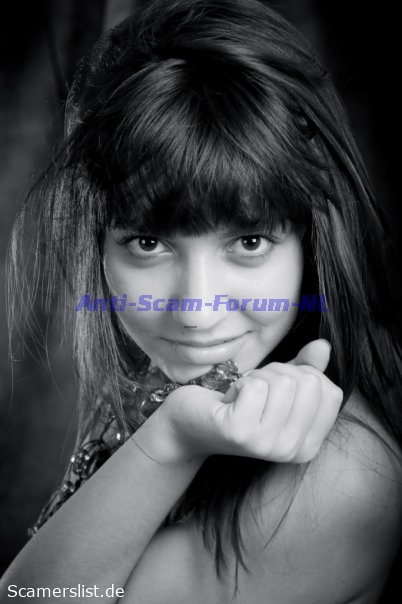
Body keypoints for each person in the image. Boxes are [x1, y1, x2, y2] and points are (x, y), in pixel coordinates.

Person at [2, 0, 402, 601]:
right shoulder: (184, 373)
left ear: (311, 241)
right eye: (148, 243)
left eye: (249, 242)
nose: (195, 312)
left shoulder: (339, 479)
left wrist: (168, 445)